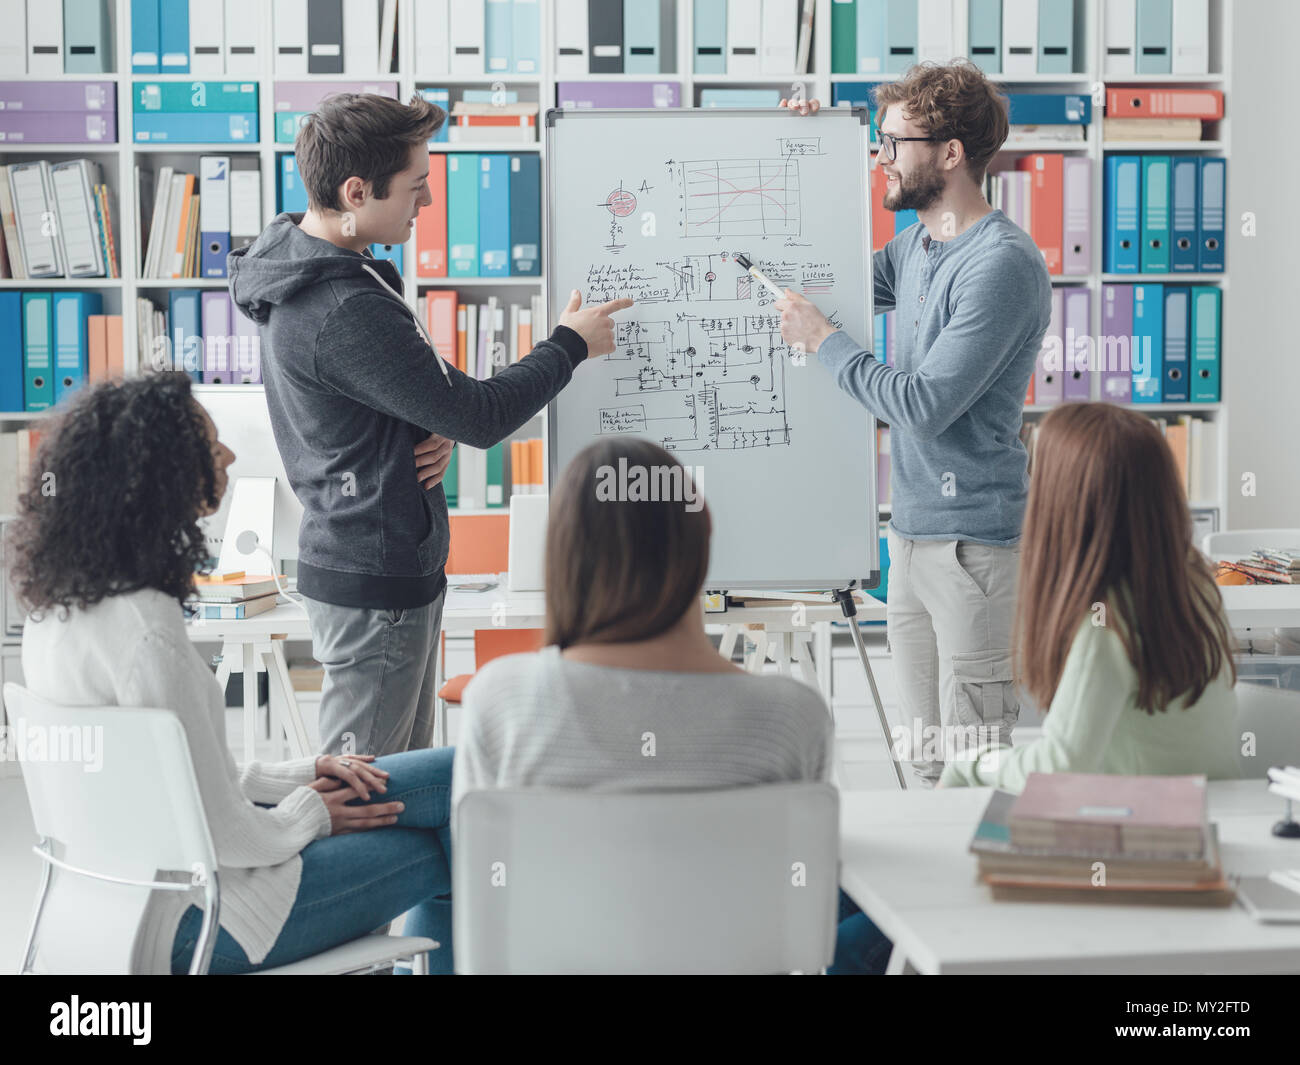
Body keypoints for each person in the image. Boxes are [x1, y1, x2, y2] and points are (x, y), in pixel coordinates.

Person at [228, 92, 632, 757]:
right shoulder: (341, 306)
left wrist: (419, 420)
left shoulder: (305, 257)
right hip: (375, 583)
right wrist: (570, 344)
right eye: (416, 186)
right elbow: (481, 414)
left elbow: (400, 398)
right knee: (364, 795)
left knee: (395, 784)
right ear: (356, 191)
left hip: (379, 571)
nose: (428, 203)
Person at [14, 374, 460, 974]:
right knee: (457, 826)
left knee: (452, 775)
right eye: (208, 445)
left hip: (133, 905)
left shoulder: (58, 616)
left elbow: (185, 781)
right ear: (158, 473)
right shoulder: (147, 629)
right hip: (219, 916)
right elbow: (225, 834)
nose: (226, 455)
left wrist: (306, 772)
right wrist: (313, 811)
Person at [453, 438, 893, 974]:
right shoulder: (791, 716)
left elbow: (483, 888)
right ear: (703, 532)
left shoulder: (500, 701)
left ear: (560, 552)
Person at [774, 62, 1052, 785]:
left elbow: (924, 404)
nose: (881, 157)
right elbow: (823, 278)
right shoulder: (921, 246)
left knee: (973, 770)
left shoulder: (1000, 264)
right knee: (926, 762)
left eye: (892, 142)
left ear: (950, 153)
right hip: (914, 541)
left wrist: (823, 341)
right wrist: (795, 156)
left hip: (974, 553)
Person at [939, 403, 1241, 790]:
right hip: (1210, 815)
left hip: (1152, 830)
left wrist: (972, 763)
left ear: (1063, 504)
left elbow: (1060, 765)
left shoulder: (1107, 622)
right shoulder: (1193, 581)